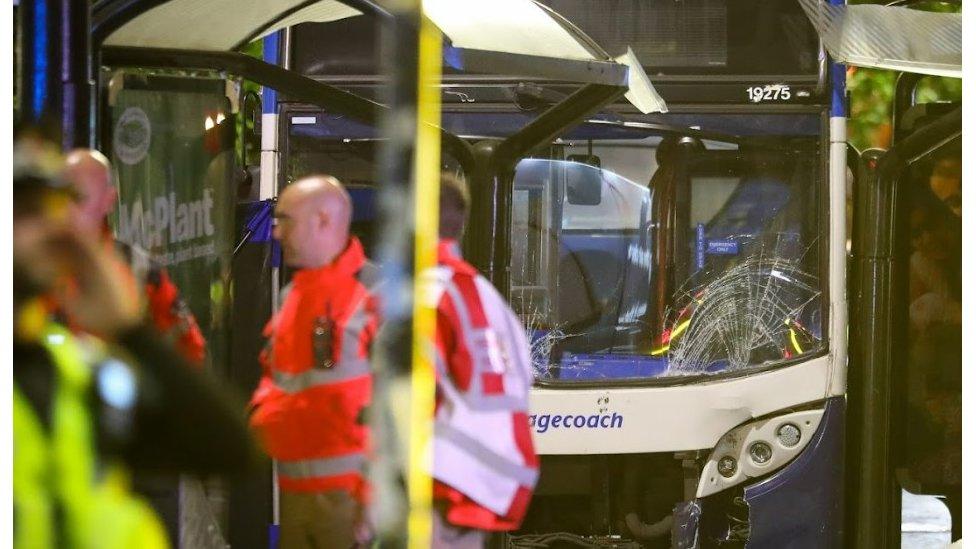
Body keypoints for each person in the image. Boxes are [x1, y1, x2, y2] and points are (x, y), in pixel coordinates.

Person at [13, 133, 257, 548]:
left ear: (108, 200)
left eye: (51, 208)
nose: (56, 227)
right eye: (24, 213)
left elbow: (227, 445)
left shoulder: (71, 375)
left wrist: (130, 331)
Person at [248, 175, 380, 548]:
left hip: (352, 505)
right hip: (294, 494)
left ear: (322, 220)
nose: (275, 232)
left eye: (285, 220)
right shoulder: (291, 297)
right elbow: (278, 384)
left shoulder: (375, 294)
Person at [428, 172, 539, 548]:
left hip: (435, 483)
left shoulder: (424, 296)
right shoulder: (487, 297)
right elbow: (523, 378)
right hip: (482, 483)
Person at [62, 149, 207, 365]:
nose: (67, 209)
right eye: (58, 198)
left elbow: (190, 353)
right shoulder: (30, 267)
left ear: (109, 201)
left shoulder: (141, 272)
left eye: (78, 198)